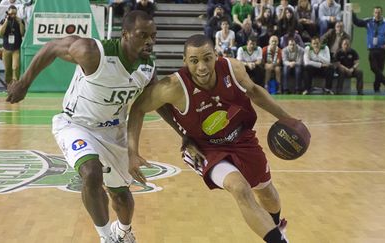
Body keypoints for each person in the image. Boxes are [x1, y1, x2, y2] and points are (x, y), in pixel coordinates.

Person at [127, 34, 296, 243]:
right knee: (239, 187)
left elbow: (254, 91)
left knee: (266, 192)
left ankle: (277, 228)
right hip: (204, 148)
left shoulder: (233, 69)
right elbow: (137, 108)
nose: (202, 67)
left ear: (216, 55)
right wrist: (132, 152)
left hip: (241, 137)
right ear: (184, 61)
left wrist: (288, 119)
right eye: (194, 61)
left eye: (207, 58)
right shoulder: (173, 86)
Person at [6, 10, 157, 243]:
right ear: (125, 34)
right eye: (142, 34)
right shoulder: (93, 52)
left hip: (113, 132)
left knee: (121, 196)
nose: (149, 40)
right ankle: (106, 237)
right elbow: (53, 47)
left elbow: (146, 108)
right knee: (91, 172)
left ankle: (123, 231)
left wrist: (184, 136)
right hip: (76, 124)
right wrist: (24, 83)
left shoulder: (148, 69)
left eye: (153, 36)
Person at [353, 6, 385, 93]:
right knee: (374, 68)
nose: (377, 14)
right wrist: (352, 13)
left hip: (382, 49)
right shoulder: (368, 21)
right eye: (376, 12)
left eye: (379, 12)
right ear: (373, 13)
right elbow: (357, 22)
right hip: (372, 49)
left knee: (380, 70)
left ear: (381, 13)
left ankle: (376, 88)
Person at [0, 5, 25, 86]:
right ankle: (8, 85)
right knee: (7, 69)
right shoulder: (3, 21)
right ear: (8, 13)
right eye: (11, 13)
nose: (13, 15)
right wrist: (6, 21)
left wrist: (20, 23)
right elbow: (0, 33)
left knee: (15, 67)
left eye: (14, 13)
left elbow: (22, 33)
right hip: (6, 48)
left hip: (16, 48)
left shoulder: (20, 21)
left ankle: (15, 84)